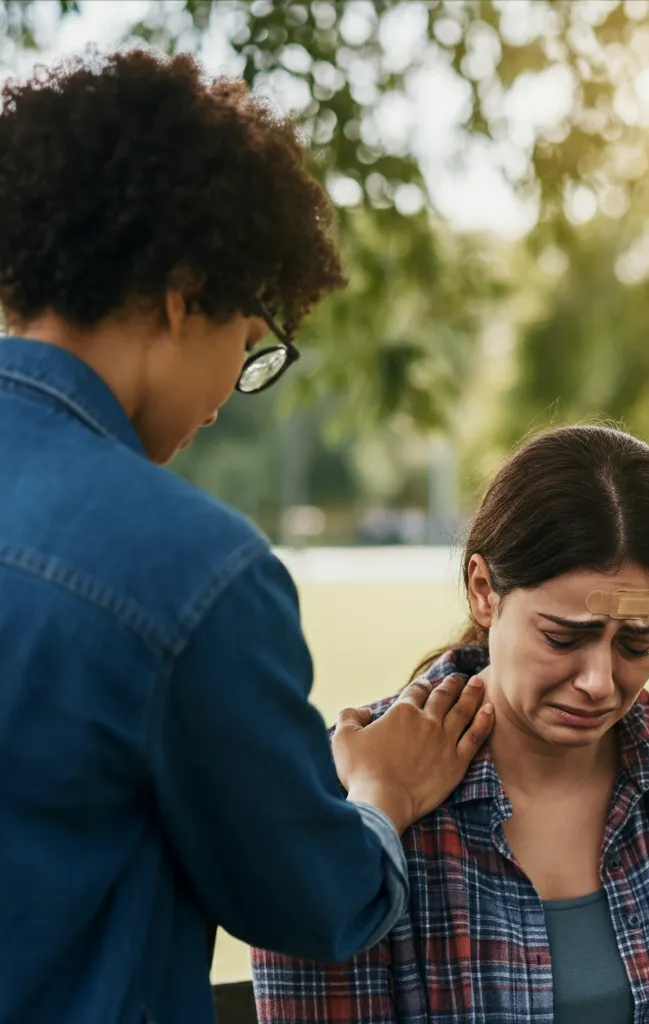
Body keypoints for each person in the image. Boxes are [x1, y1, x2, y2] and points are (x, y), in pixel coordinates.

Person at [0, 50, 493, 1024]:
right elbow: (309, 894)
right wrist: (379, 792)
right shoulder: (191, 570)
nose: (230, 393)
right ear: (184, 296)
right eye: (251, 339)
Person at [253, 425, 649, 1024]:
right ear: (484, 591)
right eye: (563, 637)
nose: (599, 680)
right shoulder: (347, 791)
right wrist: (384, 804)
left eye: (638, 644)